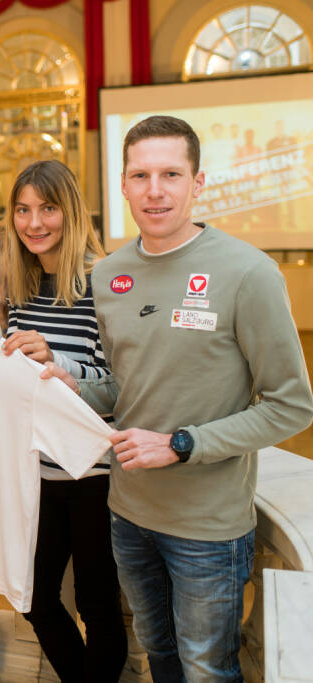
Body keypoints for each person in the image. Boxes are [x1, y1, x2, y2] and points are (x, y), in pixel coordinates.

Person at [43, 115, 313, 681]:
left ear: (199, 183)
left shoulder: (247, 273)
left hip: (208, 526)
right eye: (140, 175)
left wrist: (182, 444)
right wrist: (76, 388)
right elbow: (127, 383)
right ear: (122, 185)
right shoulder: (110, 274)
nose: (155, 190)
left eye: (171, 173)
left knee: (206, 669)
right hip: (128, 512)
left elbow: (291, 405)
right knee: (159, 658)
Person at [0, 159, 128, 681]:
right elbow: (12, 368)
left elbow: (119, 384)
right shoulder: (17, 283)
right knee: (34, 598)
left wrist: (58, 362)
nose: (34, 222)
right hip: (33, 472)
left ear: (71, 211)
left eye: (47, 209)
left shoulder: (101, 280)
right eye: (23, 210)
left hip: (92, 472)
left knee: (98, 603)